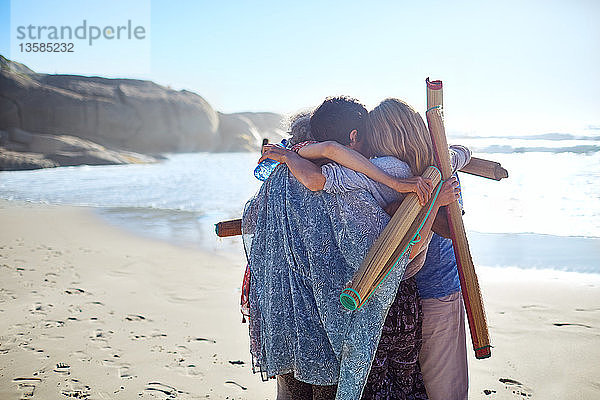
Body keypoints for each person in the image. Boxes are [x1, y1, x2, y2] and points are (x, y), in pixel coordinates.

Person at [243, 96, 457, 400]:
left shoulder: (281, 175)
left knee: (289, 392)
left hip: (279, 307)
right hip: (333, 312)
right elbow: (382, 250)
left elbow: (253, 221)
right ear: (354, 138)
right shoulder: (349, 181)